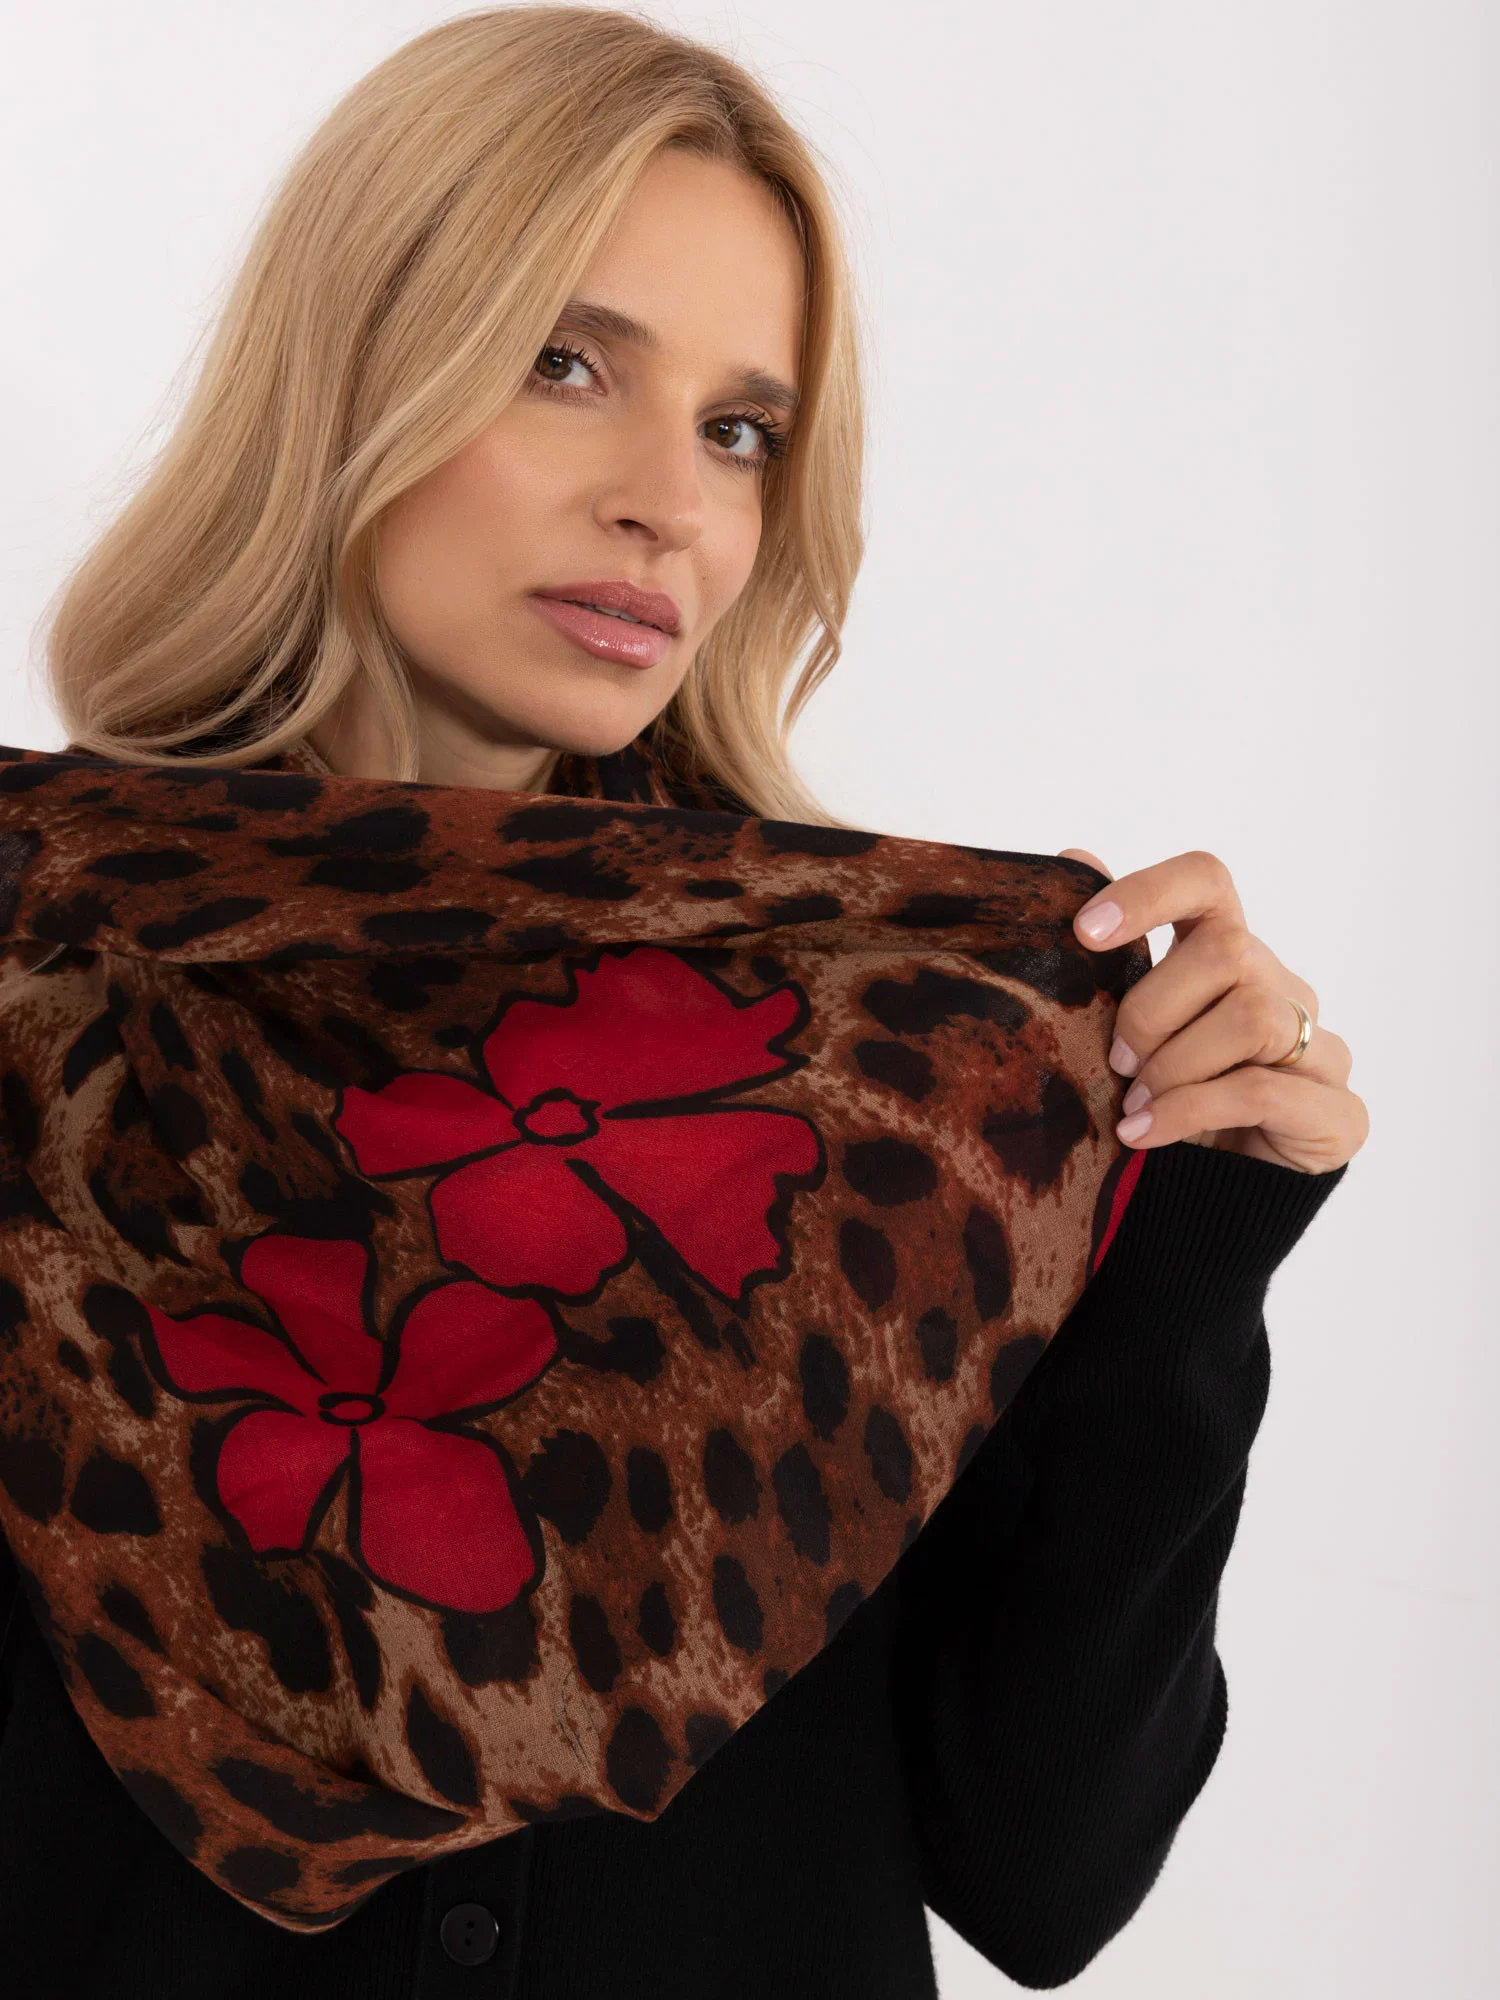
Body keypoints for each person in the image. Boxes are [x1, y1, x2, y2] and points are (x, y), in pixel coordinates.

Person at [0, 9, 1366, 1995]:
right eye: (567, 364)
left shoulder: (888, 1077)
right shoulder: (35, 986)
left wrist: (1192, 1230)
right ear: (351, 372)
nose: (674, 503)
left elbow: (1042, 1868)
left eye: (743, 431)